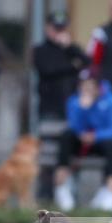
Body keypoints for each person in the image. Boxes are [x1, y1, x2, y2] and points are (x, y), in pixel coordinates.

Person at [32, 11, 89, 206]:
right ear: (48, 28)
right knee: (48, 152)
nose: (59, 33)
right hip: (50, 109)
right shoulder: (40, 50)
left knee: (70, 149)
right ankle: (46, 192)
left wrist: (71, 48)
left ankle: (70, 191)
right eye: (56, 29)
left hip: (72, 110)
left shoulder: (72, 49)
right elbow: (49, 69)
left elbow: (87, 64)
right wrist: (73, 66)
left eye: (62, 29)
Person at [56, 72, 112, 211]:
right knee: (66, 136)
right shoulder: (74, 102)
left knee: (111, 144)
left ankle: (111, 191)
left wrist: (96, 136)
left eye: (89, 87)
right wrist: (82, 110)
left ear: (98, 87)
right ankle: (62, 186)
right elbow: (74, 127)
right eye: (83, 87)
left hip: (105, 143)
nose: (86, 90)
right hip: (84, 143)